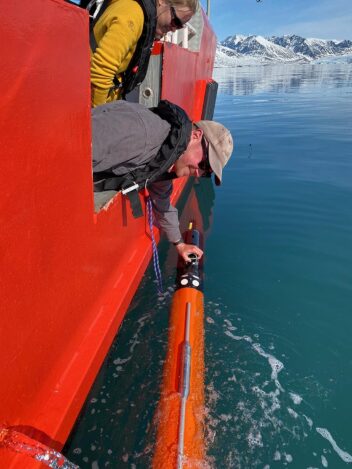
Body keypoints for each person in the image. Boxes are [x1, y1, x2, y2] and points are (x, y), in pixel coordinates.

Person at [92, 99, 234, 261]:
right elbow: (74, 146)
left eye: (206, 172)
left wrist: (179, 244)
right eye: (203, 164)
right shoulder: (140, 132)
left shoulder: (165, 158)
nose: (198, 173)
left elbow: (162, 203)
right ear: (195, 136)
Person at [90, 0, 198, 107]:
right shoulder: (131, 15)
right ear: (162, 1)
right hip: (91, 103)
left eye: (179, 26)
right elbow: (101, 73)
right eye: (175, 21)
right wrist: (97, 117)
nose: (174, 29)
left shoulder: (143, 19)